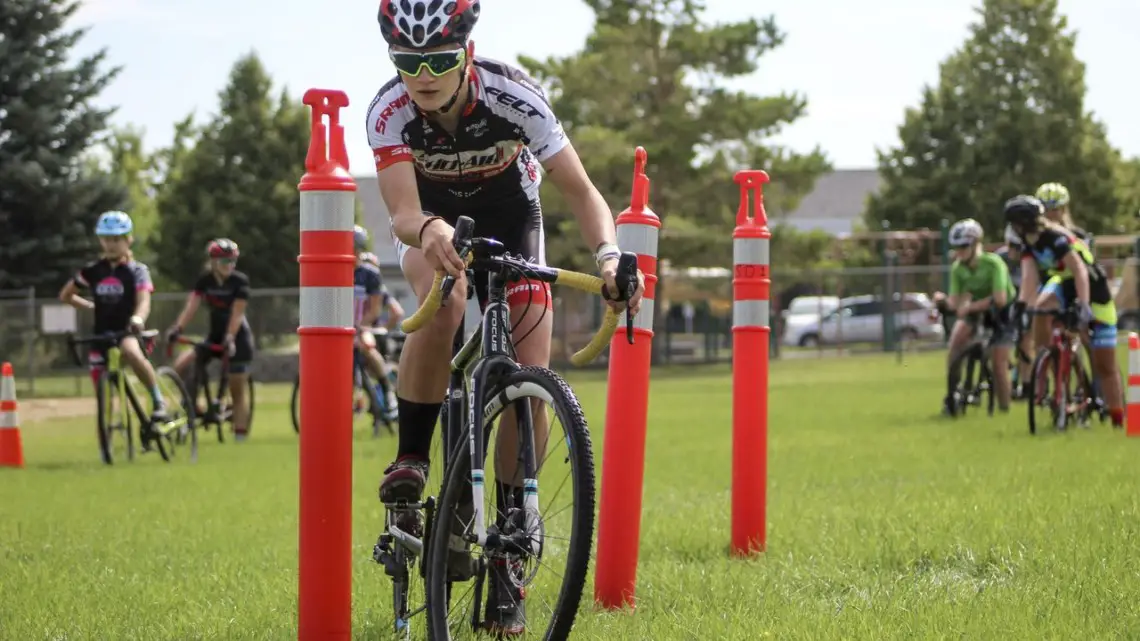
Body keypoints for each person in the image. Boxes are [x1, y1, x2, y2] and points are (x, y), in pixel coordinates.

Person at [367, 0, 644, 633]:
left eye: (438, 60)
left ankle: (514, 529)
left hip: (513, 218)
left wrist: (607, 257)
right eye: (407, 62)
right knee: (446, 301)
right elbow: (402, 212)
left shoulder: (514, 95)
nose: (423, 75)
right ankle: (411, 457)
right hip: (432, 224)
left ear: (466, 51)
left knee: (530, 372)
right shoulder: (389, 109)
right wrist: (430, 228)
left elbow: (581, 191)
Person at [1004, 195, 1124, 429]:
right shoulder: (1029, 243)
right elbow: (1029, 278)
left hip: (1092, 286)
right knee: (1040, 307)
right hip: (1064, 284)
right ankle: (1049, 356)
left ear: (1021, 223)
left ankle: (1118, 418)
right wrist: (1020, 306)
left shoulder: (1055, 237)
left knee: (1105, 365)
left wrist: (1084, 304)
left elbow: (1079, 270)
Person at [58, 211, 168, 436]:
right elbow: (66, 295)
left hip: (127, 330)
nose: (111, 245)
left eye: (117, 239)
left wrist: (138, 318)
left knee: (131, 351)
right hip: (101, 334)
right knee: (101, 389)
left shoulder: (137, 271)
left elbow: (144, 300)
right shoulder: (93, 271)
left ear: (129, 240)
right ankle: (105, 439)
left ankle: (158, 400)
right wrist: (88, 306)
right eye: (106, 239)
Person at [166, 239, 255, 441]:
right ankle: (193, 406)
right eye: (225, 261)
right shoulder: (205, 280)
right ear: (213, 262)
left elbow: (237, 314)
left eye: (233, 261)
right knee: (181, 365)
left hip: (238, 339)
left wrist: (230, 338)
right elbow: (192, 306)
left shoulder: (240, 281)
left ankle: (240, 437)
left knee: (236, 388)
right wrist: (177, 328)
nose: (229, 265)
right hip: (214, 336)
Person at [942, 218, 1016, 414]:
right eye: (956, 247)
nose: (959, 251)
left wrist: (968, 306)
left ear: (976, 244)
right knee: (956, 341)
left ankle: (1004, 408)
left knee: (999, 362)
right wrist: (943, 302)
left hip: (1002, 312)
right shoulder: (958, 268)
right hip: (975, 310)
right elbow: (954, 302)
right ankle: (952, 393)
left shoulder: (993, 263)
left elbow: (1000, 299)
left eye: (964, 246)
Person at [352, 225, 398, 422]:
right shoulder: (336, 269)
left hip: (362, 326)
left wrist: (359, 326)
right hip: (340, 328)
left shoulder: (369, 274)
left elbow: (375, 309)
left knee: (368, 348)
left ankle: (387, 389)